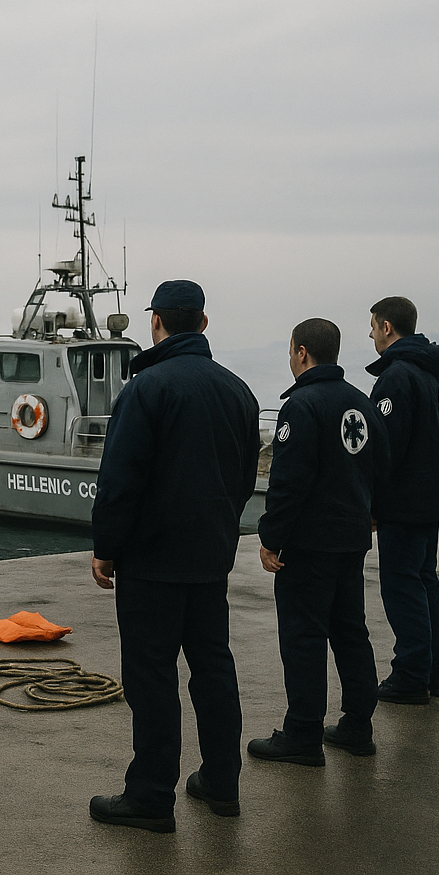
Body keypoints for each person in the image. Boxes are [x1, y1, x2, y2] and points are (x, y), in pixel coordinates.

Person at [88, 279, 260, 834]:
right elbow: (242, 478)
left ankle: (152, 796)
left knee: (152, 677)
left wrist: (107, 549)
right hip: (210, 559)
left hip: (152, 563)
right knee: (213, 669)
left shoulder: (145, 390)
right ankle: (222, 782)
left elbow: (120, 481)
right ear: (203, 324)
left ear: (155, 322)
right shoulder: (239, 392)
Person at [248, 318, 389, 766]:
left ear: (302, 352)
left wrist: (271, 537)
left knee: (304, 637)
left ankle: (303, 734)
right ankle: (357, 726)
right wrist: (371, 514)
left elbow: (289, 482)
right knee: (351, 632)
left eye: (291, 351)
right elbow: (382, 468)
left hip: (309, 546)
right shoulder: (361, 403)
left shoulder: (301, 406)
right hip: (351, 540)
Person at [366, 296, 439, 705]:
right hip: (432, 496)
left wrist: (370, 500)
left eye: (372, 327)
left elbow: (384, 446)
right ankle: (431, 670)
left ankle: (410, 674)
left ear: (387, 327)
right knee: (424, 580)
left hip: (402, 501)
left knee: (402, 585)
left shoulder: (397, 376)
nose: (370, 334)